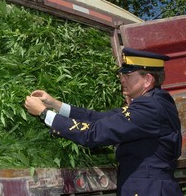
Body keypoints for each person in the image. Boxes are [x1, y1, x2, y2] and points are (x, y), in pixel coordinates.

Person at [24, 47, 183, 196]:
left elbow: (94, 133)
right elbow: (99, 118)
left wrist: (45, 114)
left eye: (127, 76)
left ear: (147, 80)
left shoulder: (150, 108)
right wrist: (54, 104)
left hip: (148, 189)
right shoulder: (153, 103)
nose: (122, 80)